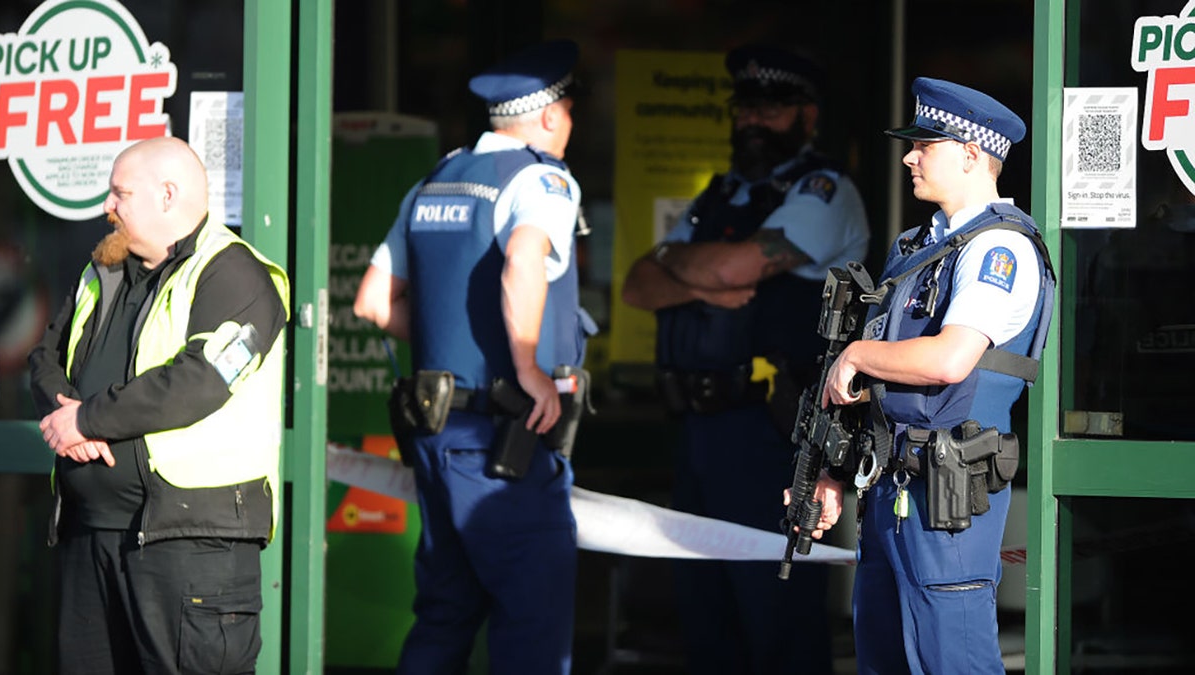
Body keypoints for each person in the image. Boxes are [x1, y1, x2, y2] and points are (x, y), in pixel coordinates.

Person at [621, 43, 870, 674]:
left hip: (772, 430)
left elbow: (735, 266)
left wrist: (693, 266)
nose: (754, 120)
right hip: (698, 429)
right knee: (705, 617)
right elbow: (637, 285)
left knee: (776, 615)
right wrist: (709, 277)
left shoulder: (823, 190)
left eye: (773, 108)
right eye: (746, 108)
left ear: (808, 116)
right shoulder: (721, 192)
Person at [352, 39, 594, 675]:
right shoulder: (542, 179)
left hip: (435, 433)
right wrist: (527, 369)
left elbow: (374, 303)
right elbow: (523, 260)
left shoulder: (436, 178)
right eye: (569, 110)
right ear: (547, 116)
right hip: (500, 436)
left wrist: (455, 337)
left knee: (444, 612)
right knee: (533, 624)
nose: (570, 123)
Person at [800, 77, 1054, 674]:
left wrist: (858, 355)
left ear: (971, 154)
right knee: (883, 659)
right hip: (890, 485)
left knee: (951, 659)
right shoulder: (918, 245)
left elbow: (948, 360)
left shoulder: (1000, 248)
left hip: (949, 495)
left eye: (927, 144)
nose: (910, 156)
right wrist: (833, 470)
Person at [28, 136, 290, 674]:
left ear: (167, 196)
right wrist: (66, 416)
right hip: (91, 535)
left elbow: (200, 380)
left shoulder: (236, 275)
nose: (108, 207)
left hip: (191, 549)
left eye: (120, 194)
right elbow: (45, 356)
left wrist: (87, 419)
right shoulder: (102, 271)